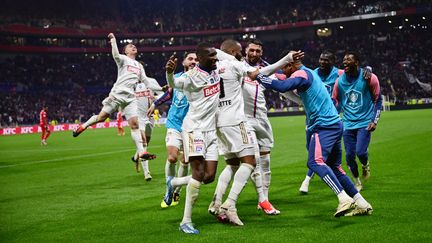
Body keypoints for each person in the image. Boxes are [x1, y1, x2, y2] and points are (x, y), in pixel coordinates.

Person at [251, 51, 373, 217]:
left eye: (284, 67)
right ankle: (362, 202)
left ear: (290, 65)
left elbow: (282, 86)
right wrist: (266, 72)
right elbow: (279, 78)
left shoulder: (301, 74)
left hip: (323, 126)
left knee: (315, 162)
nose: (282, 71)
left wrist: (257, 76)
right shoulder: (308, 73)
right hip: (334, 124)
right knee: (335, 167)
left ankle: (343, 198)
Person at [165, 43, 222, 234]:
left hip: (211, 131)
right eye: (211, 56)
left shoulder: (215, 71)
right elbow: (173, 84)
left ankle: (173, 182)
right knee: (198, 173)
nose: (215, 58)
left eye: (215, 55)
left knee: (209, 177)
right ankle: (186, 221)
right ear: (200, 59)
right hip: (194, 130)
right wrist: (169, 73)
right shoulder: (190, 77)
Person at [72, 33, 156, 162]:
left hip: (130, 98)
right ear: (126, 51)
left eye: (134, 45)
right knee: (102, 117)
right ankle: (84, 126)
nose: (133, 46)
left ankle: (142, 152)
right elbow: (115, 55)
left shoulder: (139, 66)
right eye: (129, 46)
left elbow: (146, 81)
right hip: (117, 94)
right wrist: (113, 40)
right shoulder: (123, 59)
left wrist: (162, 89)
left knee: (135, 125)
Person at [147, 52, 198, 208]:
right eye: (190, 58)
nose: (193, 61)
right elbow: (169, 93)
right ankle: (169, 189)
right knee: (172, 158)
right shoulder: (176, 78)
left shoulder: (202, 78)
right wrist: (155, 103)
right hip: (174, 123)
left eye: (196, 59)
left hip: (192, 126)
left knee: (185, 160)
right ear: (183, 62)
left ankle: (177, 192)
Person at [332, 51, 382, 191]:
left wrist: (375, 120)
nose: (345, 62)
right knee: (348, 156)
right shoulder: (339, 81)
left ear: (357, 62)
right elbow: (335, 100)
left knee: (360, 152)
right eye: (344, 60)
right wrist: (333, 116)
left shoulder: (369, 78)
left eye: (349, 59)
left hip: (365, 121)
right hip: (347, 123)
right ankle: (357, 181)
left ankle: (365, 165)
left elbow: (378, 100)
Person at [133, 77, 164, 180]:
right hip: (138, 117)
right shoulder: (131, 84)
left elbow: (163, 93)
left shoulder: (151, 82)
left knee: (147, 141)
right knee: (143, 143)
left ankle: (136, 157)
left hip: (150, 116)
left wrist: (154, 97)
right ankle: (147, 173)